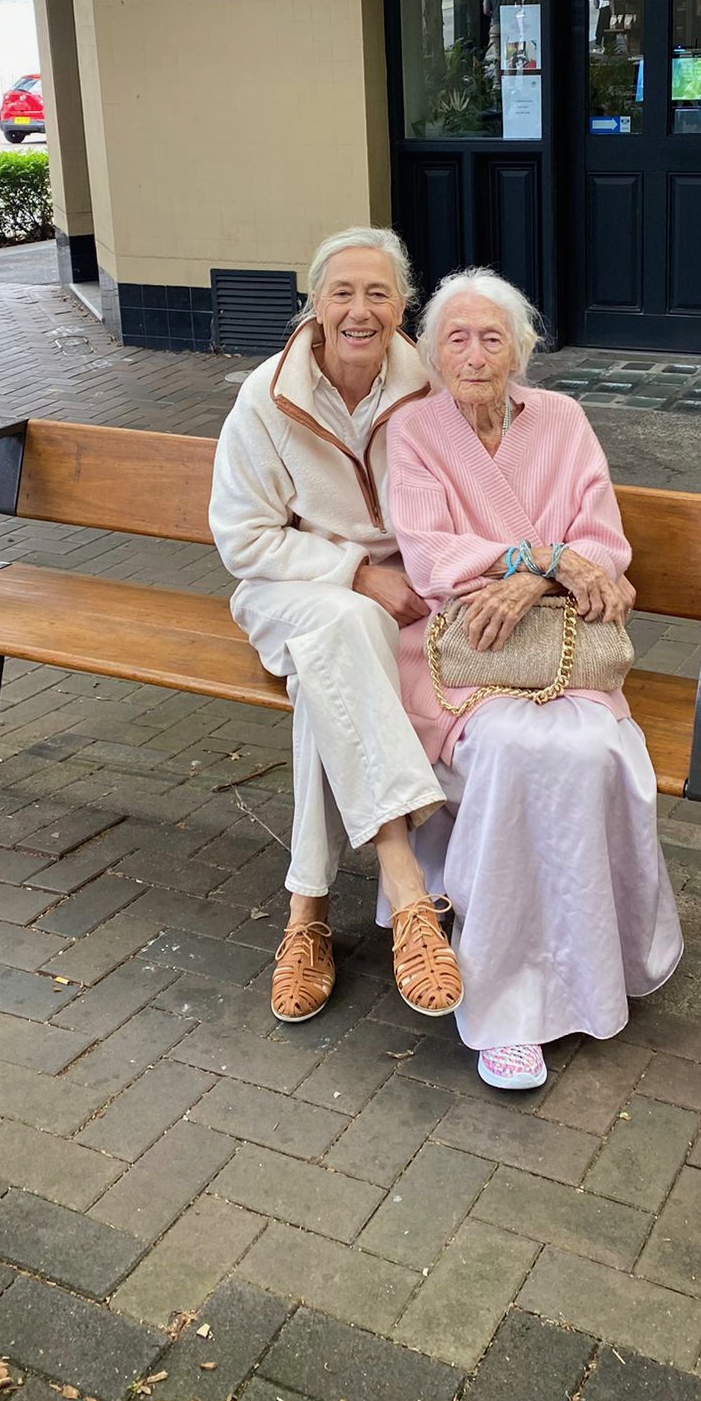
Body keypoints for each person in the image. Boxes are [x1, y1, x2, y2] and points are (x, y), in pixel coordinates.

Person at [387, 268, 682, 1091]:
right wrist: (539, 559)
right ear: (433, 352)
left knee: (591, 750)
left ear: (521, 350)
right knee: (514, 747)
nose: (476, 354)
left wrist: (541, 581)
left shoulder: (564, 419)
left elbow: (602, 541)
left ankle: (592, 964)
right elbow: (428, 552)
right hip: (465, 649)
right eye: (457, 337)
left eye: (493, 338)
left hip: (558, 646)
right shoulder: (413, 431)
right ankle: (506, 1003)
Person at [209, 226, 463, 1026]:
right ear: (314, 303)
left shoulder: (426, 384)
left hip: (392, 605)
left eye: (379, 293)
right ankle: (407, 886)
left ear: (403, 305)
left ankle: (306, 914)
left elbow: (458, 498)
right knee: (343, 624)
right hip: (286, 588)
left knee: (334, 669)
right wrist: (355, 572)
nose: (360, 310)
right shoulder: (268, 393)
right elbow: (242, 538)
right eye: (342, 292)